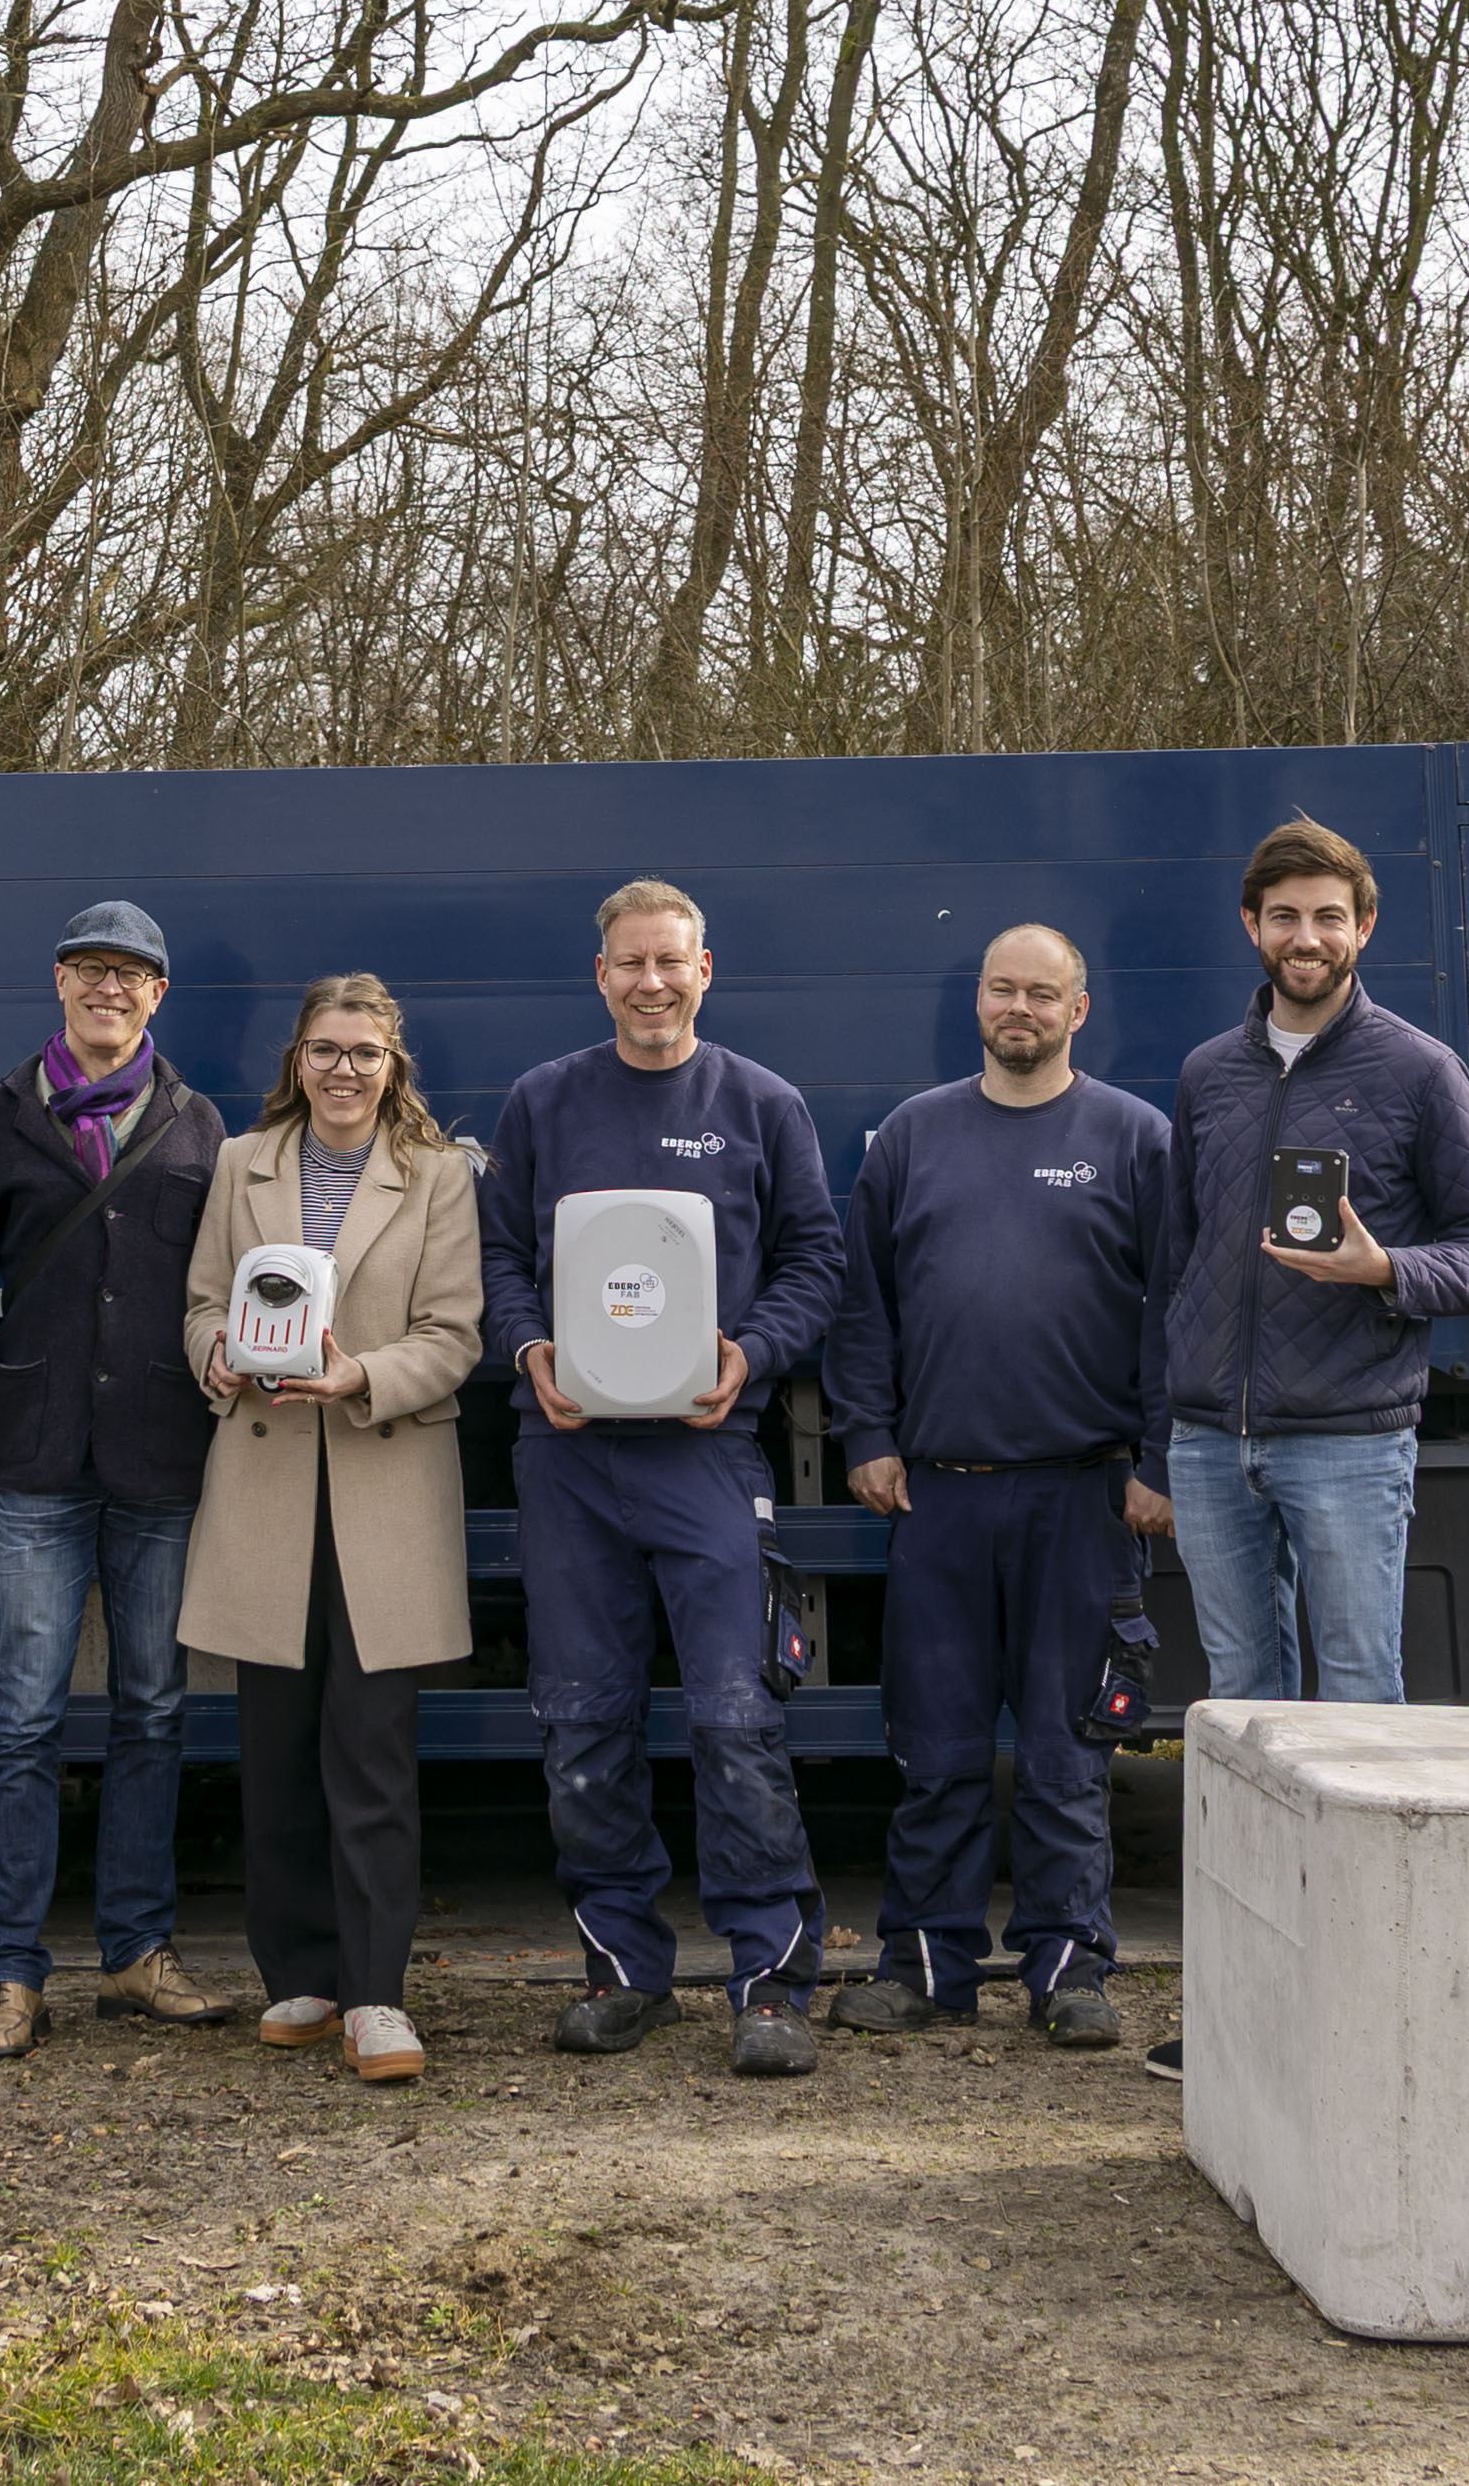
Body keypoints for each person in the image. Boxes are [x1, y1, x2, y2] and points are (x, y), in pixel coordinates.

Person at [1151, 816, 1469, 2081]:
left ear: (1364, 929)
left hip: (1349, 1442)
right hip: (1212, 1442)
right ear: (1250, 930)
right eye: (1282, 917)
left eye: (1328, 917)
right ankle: (1248, 2009)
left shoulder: (1418, 1073)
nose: (1303, 939)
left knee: (1358, 1713)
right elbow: (1181, 1258)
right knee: (1241, 1719)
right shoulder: (1207, 1073)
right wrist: (1168, 1414)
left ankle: (1363, 2010)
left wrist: (1383, 1270)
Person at [481, 876, 848, 2077]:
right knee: (581, 1724)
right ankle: (621, 1971)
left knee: (737, 1721)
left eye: (670, 963)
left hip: (706, 1451)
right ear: (600, 975)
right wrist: (529, 1349)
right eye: (629, 963)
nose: (650, 982)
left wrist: (752, 1353)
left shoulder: (762, 1104)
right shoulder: (544, 1101)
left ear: (704, 970)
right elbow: (493, 1256)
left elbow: (813, 1260)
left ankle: (769, 1984)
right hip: (569, 1456)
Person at [823, 923, 1177, 2052]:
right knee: (933, 1747)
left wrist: (1158, 1463)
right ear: (975, 1001)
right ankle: (922, 1962)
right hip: (936, 1495)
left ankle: (1067, 1968)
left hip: (1082, 1495)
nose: (1016, 1007)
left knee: (1072, 1751)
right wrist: (868, 1436)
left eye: (1041, 992)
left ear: (1079, 1010)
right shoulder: (912, 1139)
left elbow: (1176, 1313)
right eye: (999, 989)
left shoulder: (1134, 1139)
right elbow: (860, 1306)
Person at [0, 899, 239, 2060]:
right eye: (89, 969)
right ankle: (8, 1975)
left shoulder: (203, 1127)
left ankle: (133, 1957)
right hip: (38, 1465)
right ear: (58, 982)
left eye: (132, 974)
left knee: (154, 1713)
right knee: (22, 1723)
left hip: (163, 1459)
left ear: (158, 996)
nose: (109, 988)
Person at [181, 976, 484, 2087]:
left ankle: (375, 1995)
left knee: (369, 1755)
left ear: (392, 1063)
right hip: (265, 1486)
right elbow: (202, 1301)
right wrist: (213, 1353)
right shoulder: (238, 1163)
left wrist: (366, 1373)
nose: (342, 1071)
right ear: (295, 1059)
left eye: (363, 1052)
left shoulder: (438, 1175)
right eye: (323, 1050)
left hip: (380, 1486)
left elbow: (454, 1334)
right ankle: (298, 1979)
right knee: (273, 1755)